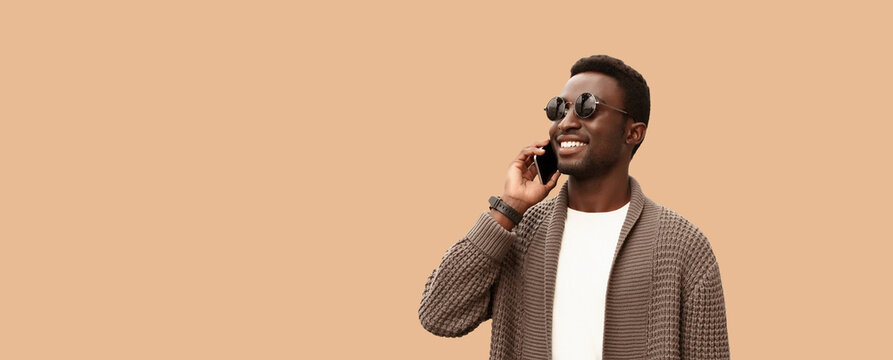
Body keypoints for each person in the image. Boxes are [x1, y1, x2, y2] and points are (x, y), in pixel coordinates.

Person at [418, 55, 729, 360]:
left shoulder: (683, 246)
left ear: (633, 132)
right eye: (558, 108)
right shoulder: (521, 232)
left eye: (587, 107)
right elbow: (438, 315)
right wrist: (509, 208)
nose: (565, 123)